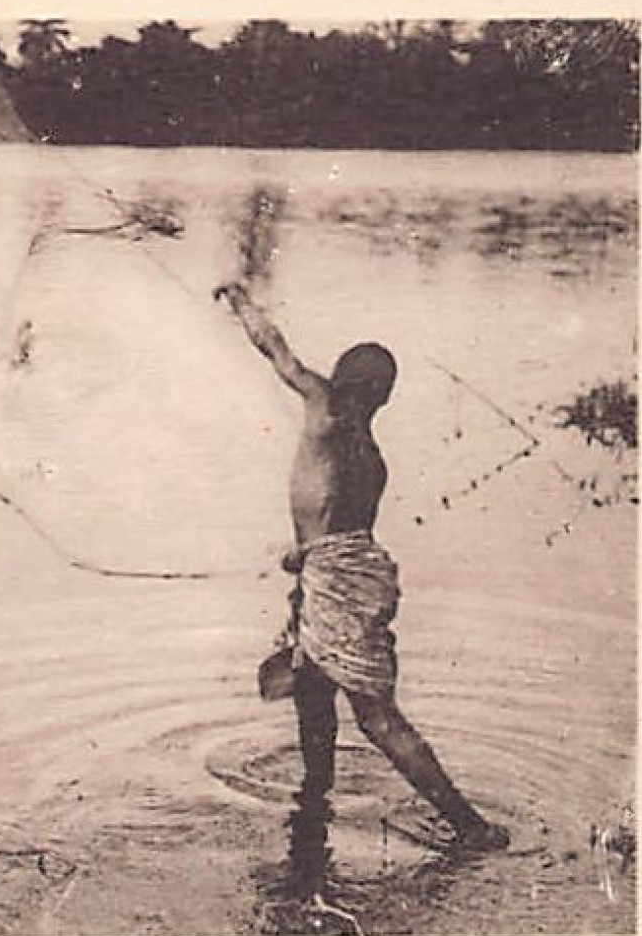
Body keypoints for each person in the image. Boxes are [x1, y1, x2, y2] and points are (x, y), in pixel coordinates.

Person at [213, 282, 510, 872]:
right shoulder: (372, 455)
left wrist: (241, 301)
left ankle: (468, 825)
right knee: (315, 689)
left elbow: (279, 353)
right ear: (385, 397)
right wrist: (306, 560)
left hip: (334, 583)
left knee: (374, 716)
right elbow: (342, 528)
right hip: (351, 580)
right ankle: (313, 805)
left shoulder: (322, 406)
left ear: (343, 380)